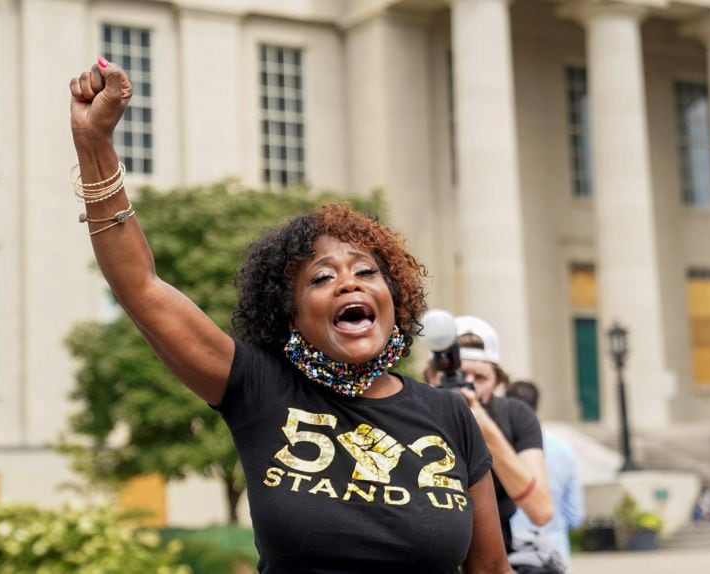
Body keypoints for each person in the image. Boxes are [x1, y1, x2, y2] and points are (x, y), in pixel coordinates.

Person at [68, 58, 510, 573]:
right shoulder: (260, 387)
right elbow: (140, 286)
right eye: (322, 278)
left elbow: (491, 569)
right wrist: (94, 144)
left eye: (366, 273)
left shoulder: (449, 415)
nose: (348, 282)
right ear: (292, 315)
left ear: (395, 297)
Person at [453, 316, 554, 551]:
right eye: (459, 375)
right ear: (432, 376)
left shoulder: (516, 416)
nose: (469, 386)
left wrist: (485, 428)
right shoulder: (417, 411)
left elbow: (541, 511)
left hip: (497, 547)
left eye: (480, 378)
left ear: (497, 381)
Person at [505, 381, 584, 568]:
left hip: (508, 556)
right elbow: (575, 516)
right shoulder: (564, 450)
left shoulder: (495, 449)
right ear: (537, 406)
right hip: (554, 556)